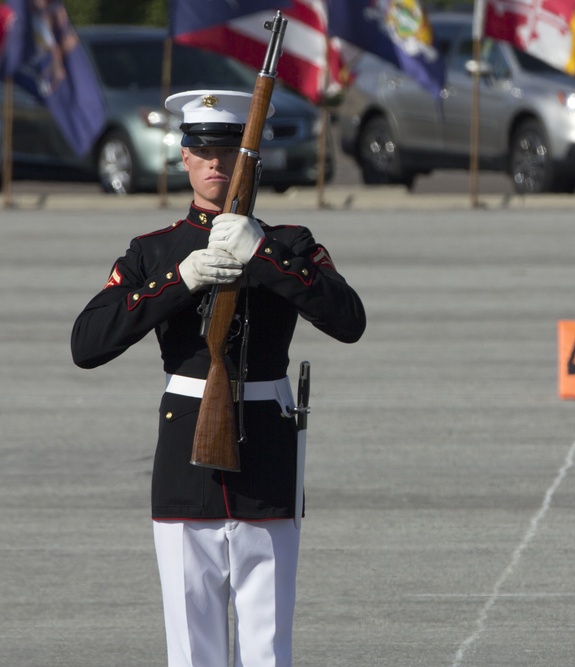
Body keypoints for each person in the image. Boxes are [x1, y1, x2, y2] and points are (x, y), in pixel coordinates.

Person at [71, 89, 366, 667]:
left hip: (266, 456)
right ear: (182, 157)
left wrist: (265, 257)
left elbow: (349, 320)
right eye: (201, 150)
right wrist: (179, 279)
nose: (215, 163)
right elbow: (88, 343)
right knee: (192, 646)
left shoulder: (290, 244)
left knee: (267, 644)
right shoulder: (155, 252)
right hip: (187, 459)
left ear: (249, 162)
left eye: (230, 152)